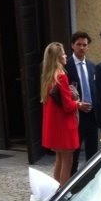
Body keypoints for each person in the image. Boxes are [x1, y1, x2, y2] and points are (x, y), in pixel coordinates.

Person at [40, 42, 82, 185]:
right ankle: (62, 193)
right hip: (64, 125)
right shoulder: (61, 76)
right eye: (63, 53)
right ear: (58, 57)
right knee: (68, 161)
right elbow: (67, 105)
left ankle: (55, 189)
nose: (65, 55)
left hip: (54, 126)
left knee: (59, 159)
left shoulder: (48, 76)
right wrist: (79, 104)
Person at [65, 31, 98, 175]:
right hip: (75, 115)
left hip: (92, 115)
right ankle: (71, 183)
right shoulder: (67, 66)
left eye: (85, 45)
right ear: (72, 46)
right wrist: (78, 105)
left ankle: (90, 180)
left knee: (93, 153)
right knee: (74, 154)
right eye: (78, 44)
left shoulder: (91, 65)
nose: (82, 48)